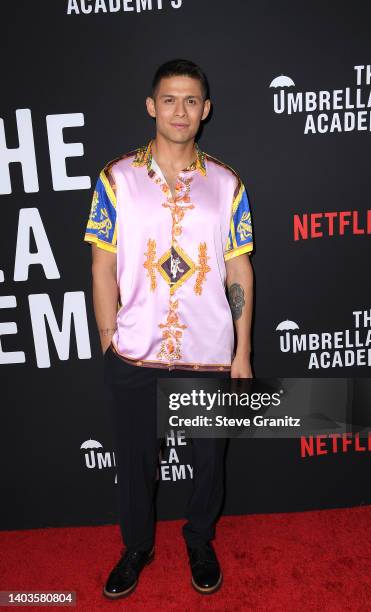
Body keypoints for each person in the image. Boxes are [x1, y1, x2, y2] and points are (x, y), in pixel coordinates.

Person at [83, 58, 254, 599]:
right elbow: (101, 266)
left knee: (209, 460)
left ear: (205, 110)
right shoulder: (117, 179)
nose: (180, 111)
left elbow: (238, 268)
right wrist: (110, 339)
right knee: (134, 464)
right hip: (134, 352)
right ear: (151, 106)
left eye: (191, 101)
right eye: (169, 99)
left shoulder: (227, 184)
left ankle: (199, 539)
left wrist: (242, 352)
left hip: (207, 353)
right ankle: (136, 546)